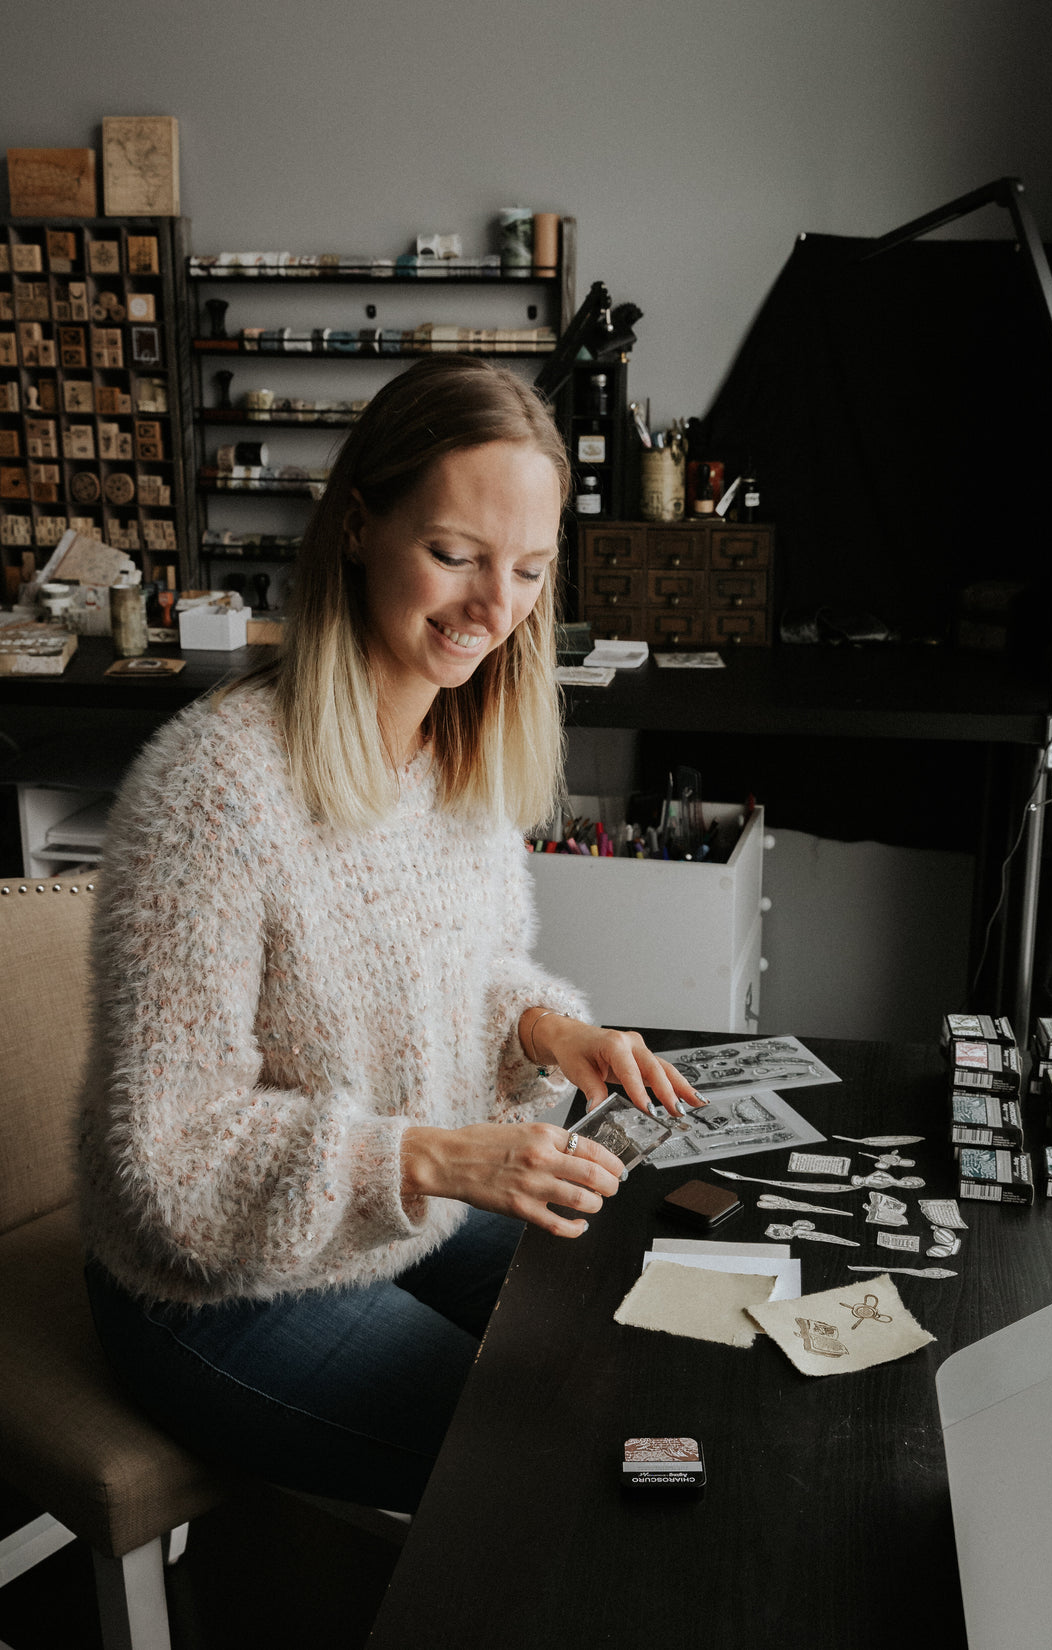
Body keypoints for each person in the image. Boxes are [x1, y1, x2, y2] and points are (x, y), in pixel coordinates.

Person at [79, 356, 702, 1512]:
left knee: (645, 1320)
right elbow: (166, 1154)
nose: (492, 609)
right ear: (358, 524)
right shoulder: (217, 788)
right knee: (552, 1466)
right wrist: (430, 1155)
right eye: (455, 556)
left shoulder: (456, 754)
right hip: (213, 1286)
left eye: (526, 570)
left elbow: (451, 969)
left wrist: (542, 1025)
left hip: (383, 1226)